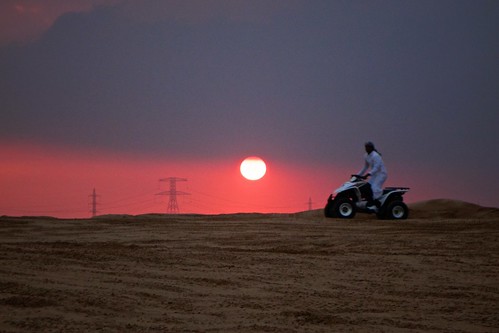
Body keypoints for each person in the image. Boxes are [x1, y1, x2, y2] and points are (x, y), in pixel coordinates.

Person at [358, 141, 387, 208]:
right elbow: (365, 167)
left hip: (381, 174)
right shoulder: (366, 155)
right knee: (367, 187)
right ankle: (370, 202)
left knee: (374, 188)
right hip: (374, 175)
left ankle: (377, 203)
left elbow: (376, 167)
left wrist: (368, 174)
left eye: (368, 147)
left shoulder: (376, 155)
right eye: (365, 147)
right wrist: (358, 175)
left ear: (371, 148)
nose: (366, 148)